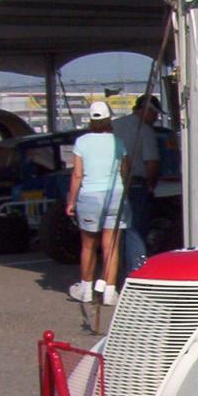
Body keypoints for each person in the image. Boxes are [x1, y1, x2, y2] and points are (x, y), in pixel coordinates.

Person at [66, 100, 128, 306]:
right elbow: (125, 171)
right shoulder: (118, 142)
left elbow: (77, 174)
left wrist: (71, 201)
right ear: (109, 119)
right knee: (111, 246)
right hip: (116, 194)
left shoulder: (82, 142)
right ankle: (109, 292)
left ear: (91, 120)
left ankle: (86, 290)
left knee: (88, 245)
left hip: (90, 196)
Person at [112, 93, 161, 277]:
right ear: (147, 110)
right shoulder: (145, 130)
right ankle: (136, 271)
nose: (156, 118)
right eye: (155, 114)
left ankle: (113, 274)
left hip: (112, 185)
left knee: (114, 233)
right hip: (135, 185)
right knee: (135, 231)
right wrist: (151, 185)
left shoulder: (115, 125)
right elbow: (151, 163)